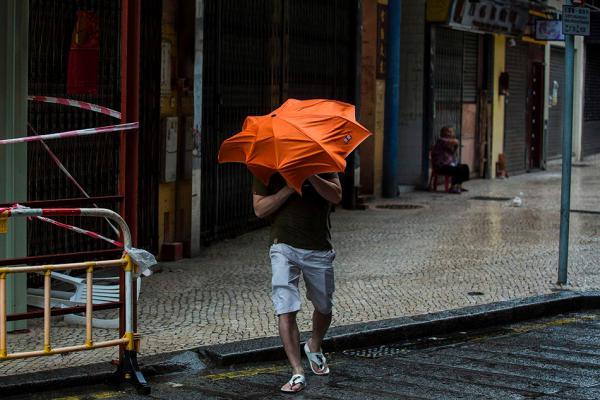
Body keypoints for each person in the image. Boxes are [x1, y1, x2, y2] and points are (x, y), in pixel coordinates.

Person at [253, 172, 342, 393]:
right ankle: (297, 372)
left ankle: (314, 344)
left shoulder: (323, 160)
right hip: (282, 244)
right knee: (286, 307)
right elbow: (259, 209)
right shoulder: (267, 166)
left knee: (324, 306)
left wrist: (310, 176)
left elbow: (336, 195)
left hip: (318, 246)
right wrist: (290, 187)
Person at [431, 126, 470, 193]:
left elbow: (452, 150)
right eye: (449, 131)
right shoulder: (441, 140)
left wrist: (455, 146)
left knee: (465, 167)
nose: (451, 133)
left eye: (452, 131)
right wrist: (456, 142)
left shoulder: (448, 142)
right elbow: (455, 141)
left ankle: (458, 185)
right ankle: (453, 187)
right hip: (441, 166)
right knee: (457, 169)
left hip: (449, 164)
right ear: (443, 132)